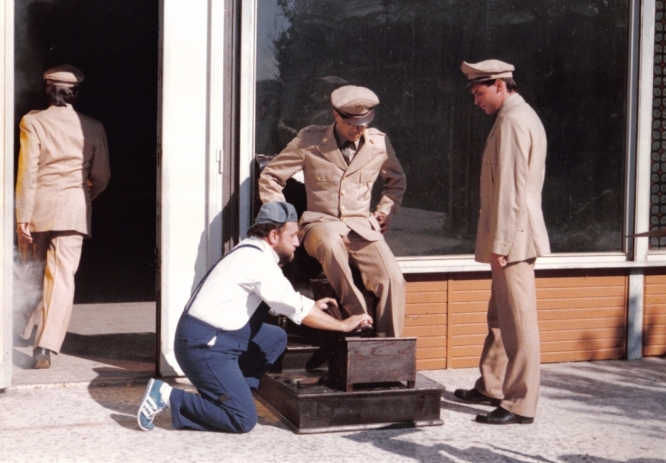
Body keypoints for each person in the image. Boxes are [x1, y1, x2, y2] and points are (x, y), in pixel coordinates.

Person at [137, 201, 372, 433]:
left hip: (215, 338)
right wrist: (343, 325)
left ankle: (231, 392)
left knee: (275, 338)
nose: (297, 243)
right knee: (242, 419)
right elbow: (295, 308)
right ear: (273, 235)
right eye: (293, 236)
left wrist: (313, 304)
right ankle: (166, 395)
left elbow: (282, 300)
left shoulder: (252, 251)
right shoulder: (257, 262)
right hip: (204, 347)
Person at [258, 85, 407, 337]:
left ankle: (389, 348)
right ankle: (359, 319)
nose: (359, 129)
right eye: (353, 123)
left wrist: (384, 211)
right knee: (330, 244)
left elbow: (397, 180)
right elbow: (271, 176)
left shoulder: (378, 143)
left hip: (361, 226)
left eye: (364, 122)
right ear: (337, 114)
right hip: (320, 224)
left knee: (393, 279)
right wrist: (284, 220)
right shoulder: (310, 140)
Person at [453, 59, 550, 425]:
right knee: (500, 316)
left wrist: (503, 243)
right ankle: (492, 385)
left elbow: (511, 189)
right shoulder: (516, 116)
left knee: (518, 322)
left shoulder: (512, 120)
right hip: (512, 234)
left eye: (479, 93)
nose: (476, 101)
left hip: (514, 237)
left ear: (499, 84)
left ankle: (519, 403)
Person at [16, 64, 110, 369]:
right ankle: (44, 346)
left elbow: (27, 173)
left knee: (33, 272)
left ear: (48, 90)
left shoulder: (32, 122)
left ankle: (20, 330)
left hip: (39, 208)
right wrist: (83, 197)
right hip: (73, 210)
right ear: (75, 94)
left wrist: (22, 216)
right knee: (60, 278)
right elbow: (102, 176)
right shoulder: (93, 127)